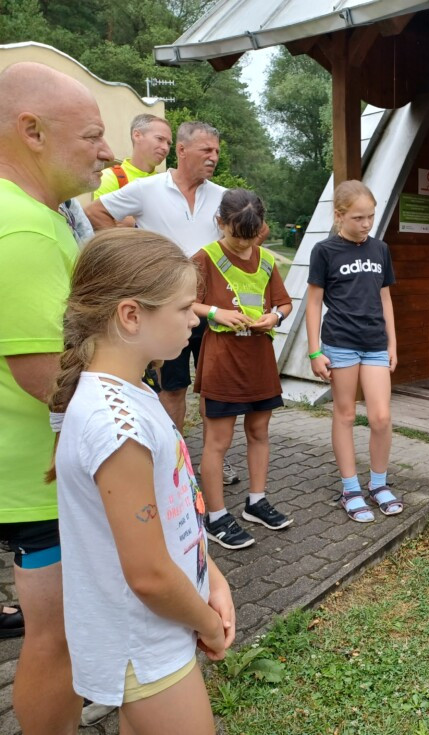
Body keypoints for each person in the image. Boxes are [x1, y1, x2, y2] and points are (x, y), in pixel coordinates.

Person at [49, 228, 235, 732]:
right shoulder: (116, 424)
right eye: (183, 309)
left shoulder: (134, 392)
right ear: (131, 315)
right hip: (143, 639)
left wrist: (211, 578)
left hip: (162, 627)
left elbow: (175, 515)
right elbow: (149, 574)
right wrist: (207, 623)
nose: (195, 319)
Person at [0, 60, 113, 734]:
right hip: (41, 483)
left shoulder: (36, 215)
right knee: (56, 639)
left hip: (35, 474)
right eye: (93, 136)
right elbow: (49, 375)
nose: (108, 151)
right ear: (32, 131)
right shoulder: (24, 229)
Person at [85, 120, 241, 487]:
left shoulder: (223, 196)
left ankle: (214, 462)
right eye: (207, 150)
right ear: (182, 151)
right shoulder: (147, 189)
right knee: (172, 388)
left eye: (217, 151)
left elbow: (255, 228)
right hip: (165, 307)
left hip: (214, 307)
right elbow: (95, 215)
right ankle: (174, 463)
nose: (214, 157)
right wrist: (137, 253)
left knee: (214, 389)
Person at [191, 190, 293, 549]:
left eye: (252, 237)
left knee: (260, 432)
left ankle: (256, 501)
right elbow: (183, 299)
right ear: (220, 223)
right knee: (217, 442)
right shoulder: (205, 258)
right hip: (223, 361)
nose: (245, 244)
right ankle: (215, 515)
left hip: (259, 361)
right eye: (238, 237)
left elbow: (284, 302)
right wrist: (217, 313)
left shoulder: (265, 259)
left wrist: (275, 316)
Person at [305, 180, 403, 523]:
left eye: (371, 217)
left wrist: (392, 342)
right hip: (340, 343)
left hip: (375, 343)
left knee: (381, 417)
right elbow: (313, 303)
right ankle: (350, 488)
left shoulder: (380, 249)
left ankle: (378, 484)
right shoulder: (325, 251)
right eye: (359, 217)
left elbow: (385, 297)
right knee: (344, 415)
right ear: (339, 216)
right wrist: (314, 351)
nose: (366, 224)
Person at [92, 113, 172, 202]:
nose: (165, 148)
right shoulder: (109, 178)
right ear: (137, 136)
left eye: (169, 143)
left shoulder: (167, 184)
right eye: (160, 139)